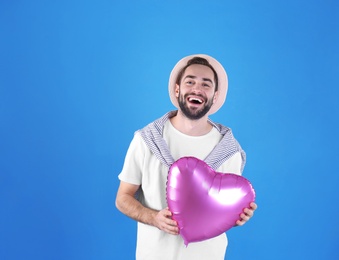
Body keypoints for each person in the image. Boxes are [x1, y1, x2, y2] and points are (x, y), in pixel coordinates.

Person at [115, 54, 257, 260]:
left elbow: (222, 206)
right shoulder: (146, 140)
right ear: (177, 89)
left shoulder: (229, 150)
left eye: (206, 84)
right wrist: (153, 218)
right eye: (190, 81)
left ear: (215, 96)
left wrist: (238, 215)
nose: (197, 89)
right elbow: (122, 198)